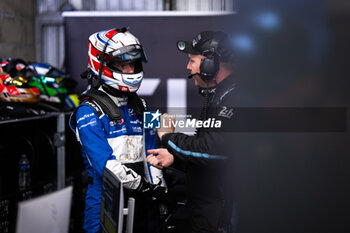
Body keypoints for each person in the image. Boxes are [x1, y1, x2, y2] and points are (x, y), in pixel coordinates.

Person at [69, 27, 167, 233]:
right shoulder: (87, 111)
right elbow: (103, 164)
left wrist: (159, 189)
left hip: (142, 203)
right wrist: (143, 186)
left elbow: (153, 152)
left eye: (132, 64)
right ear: (101, 63)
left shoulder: (143, 105)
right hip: (105, 202)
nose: (130, 71)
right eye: (123, 65)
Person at [147, 31, 237, 233]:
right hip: (210, 213)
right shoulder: (221, 96)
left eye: (192, 61)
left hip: (221, 220)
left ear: (209, 64)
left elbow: (214, 150)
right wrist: (174, 158)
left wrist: (168, 137)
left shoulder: (235, 97)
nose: (188, 67)